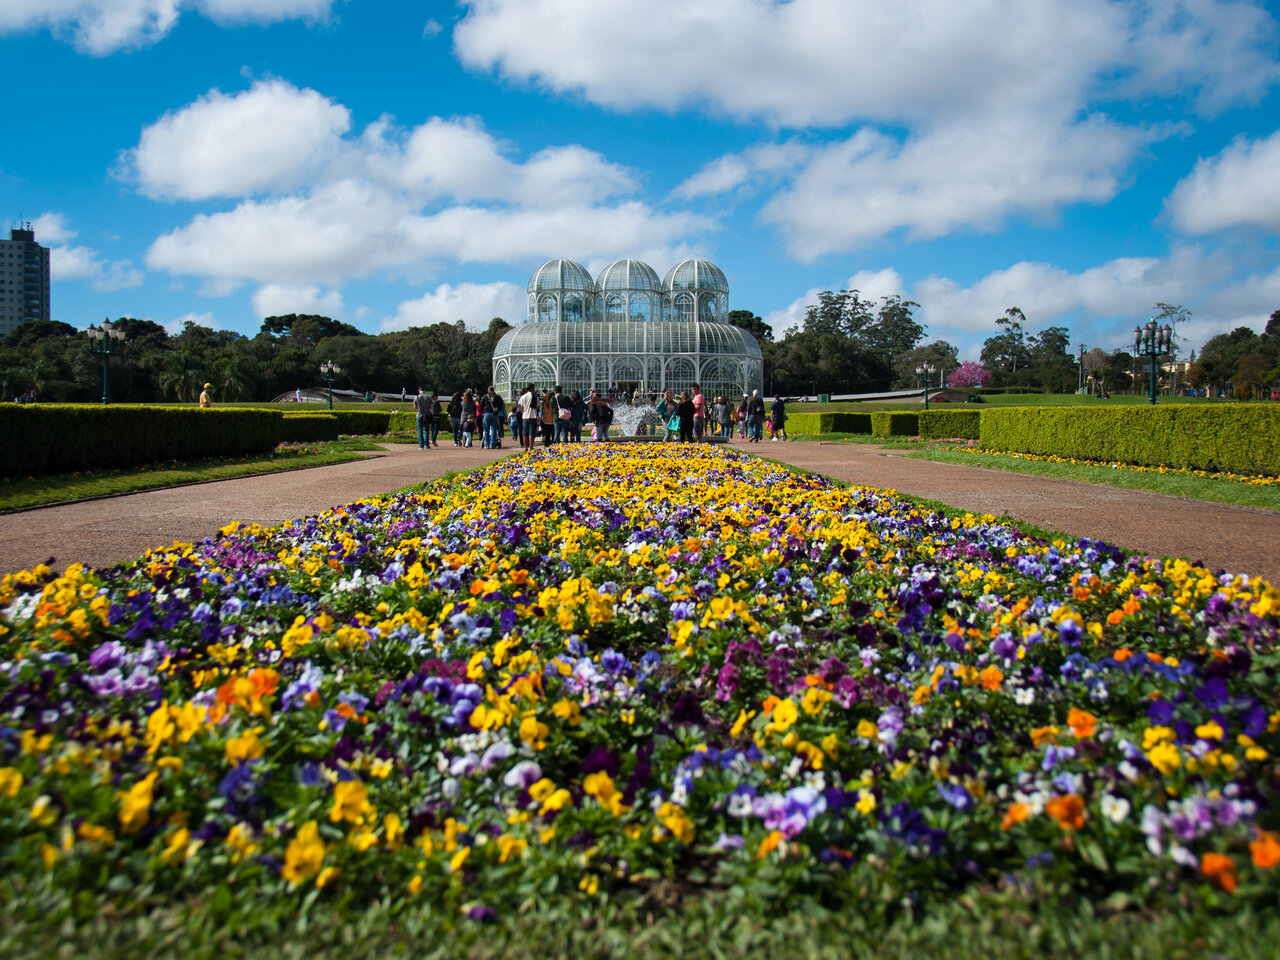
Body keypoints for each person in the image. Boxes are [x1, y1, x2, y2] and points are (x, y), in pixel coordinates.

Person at [518, 384, 538, 451]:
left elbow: (522, 407)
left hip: (525, 416)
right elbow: (537, 406)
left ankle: (525, 447)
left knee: (525, 433)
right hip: (533, 416)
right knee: (531, 433)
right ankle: (531, 446)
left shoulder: (523, 396)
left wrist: (522, 414)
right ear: (532, 388)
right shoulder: (535, 396)